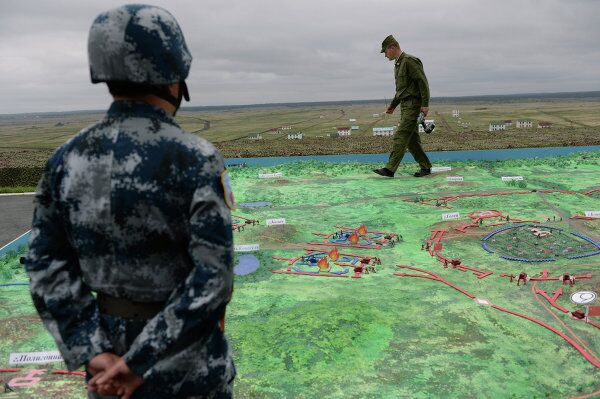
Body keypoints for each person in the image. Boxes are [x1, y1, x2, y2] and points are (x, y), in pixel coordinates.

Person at [24, 4, 235, 398]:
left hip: (105, 369)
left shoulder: (66, 158)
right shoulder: (195, 157)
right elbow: (213, 277)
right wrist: (141, 361)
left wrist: (92, 350)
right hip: (186, 368)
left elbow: (44, 262)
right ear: (175, 68)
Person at [373, 35, 433, 178]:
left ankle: (390, 169)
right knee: (411, 141)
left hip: (413, 106)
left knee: (400, 135)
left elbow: (422, 82)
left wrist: (425, 104)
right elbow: (402, 91)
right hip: (406, 106)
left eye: (385, 52)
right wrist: (393, 106)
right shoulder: (399, 65)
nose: (385, 55)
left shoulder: (410, 61)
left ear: (392, 47)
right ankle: (425, 167)